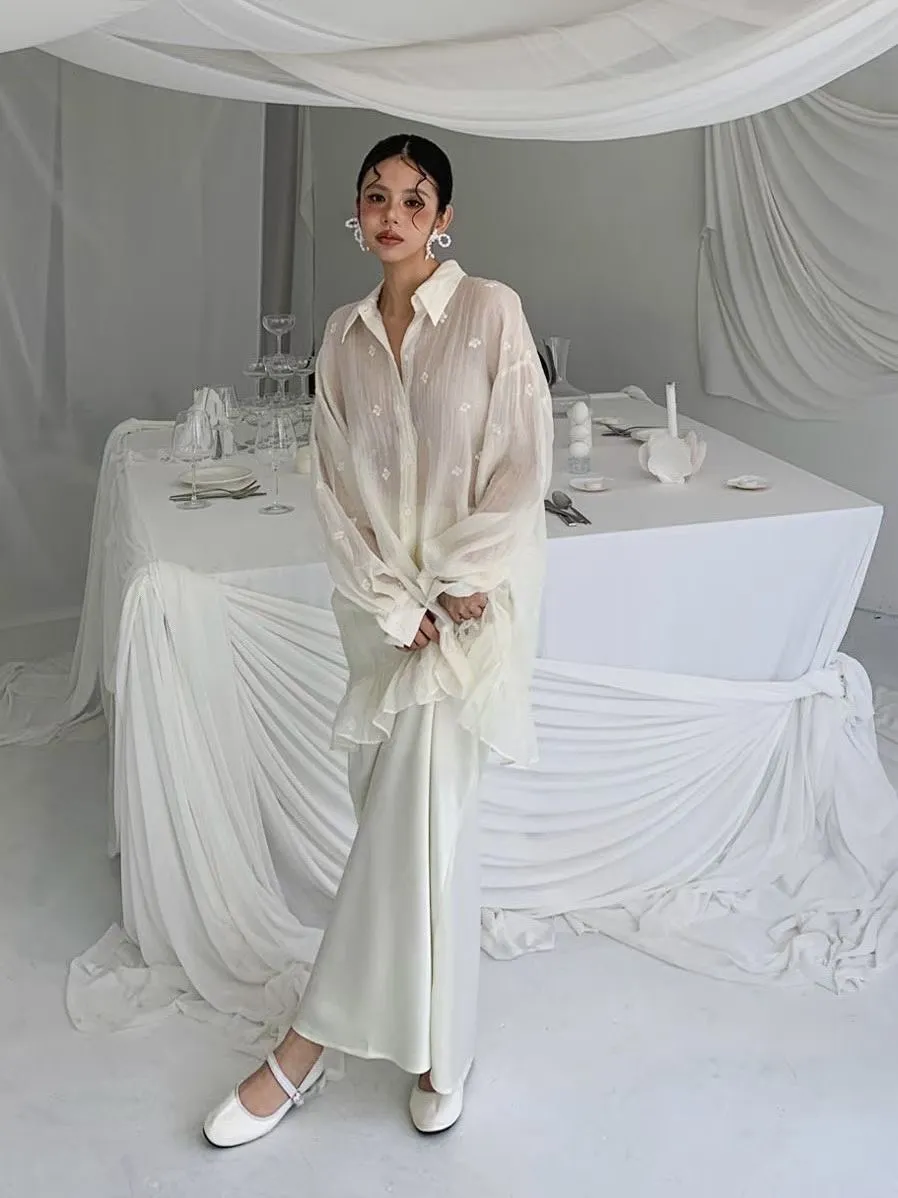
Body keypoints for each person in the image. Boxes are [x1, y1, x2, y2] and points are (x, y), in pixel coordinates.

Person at [203, 133, 553, 1146]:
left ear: (443, 217)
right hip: (380, 620)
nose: (392, 213)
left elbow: (521, 464)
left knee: (419, 812)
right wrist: (397, 606)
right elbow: (334, 490)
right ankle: (446, 1045)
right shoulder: (343, 337)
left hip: (471, 614)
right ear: (357, 216)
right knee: (423, 832)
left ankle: (303, 1048)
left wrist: (455, 587)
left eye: (413, 197)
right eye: (374, 196)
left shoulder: (491, 310)